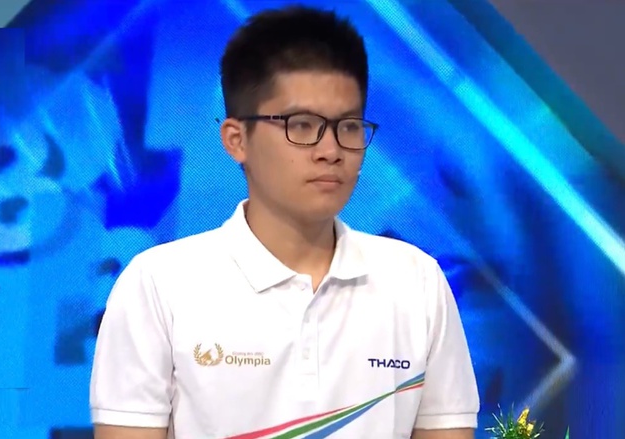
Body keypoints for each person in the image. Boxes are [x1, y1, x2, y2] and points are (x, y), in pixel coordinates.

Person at [90, 5, 480, 439]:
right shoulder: (155, 286)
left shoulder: (418, 283)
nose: (331, 151)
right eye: (302, 125)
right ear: (237, 140)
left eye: (349, 127)